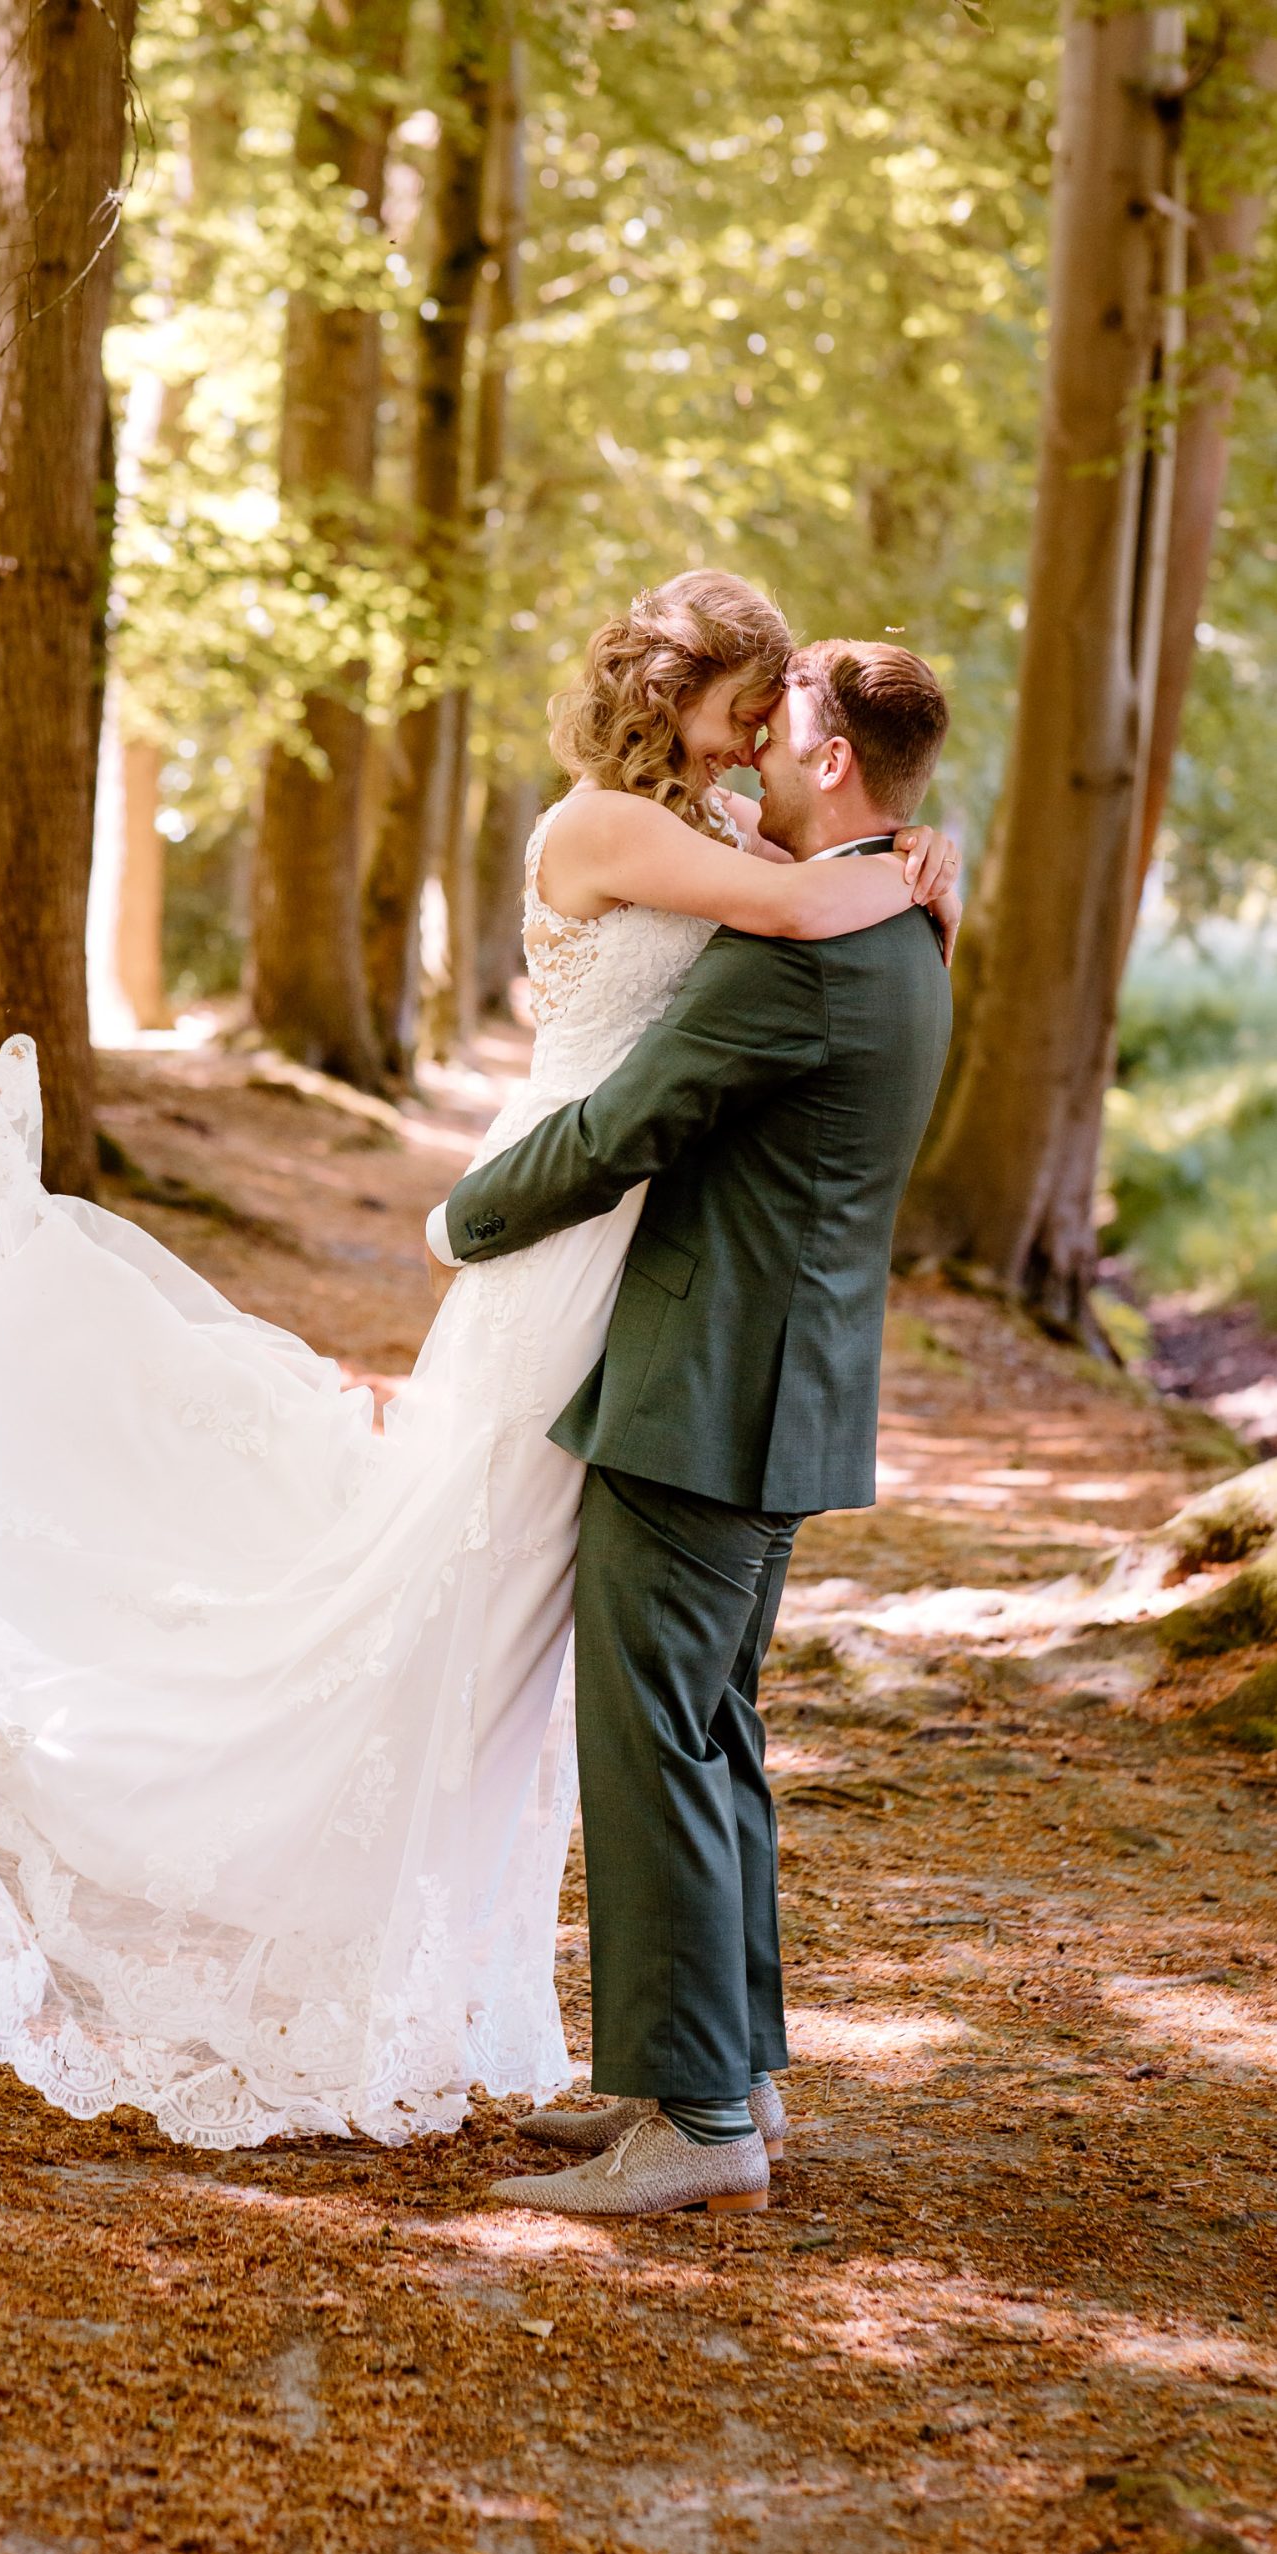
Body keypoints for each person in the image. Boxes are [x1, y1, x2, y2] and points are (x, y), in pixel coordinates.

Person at [0, 574, 958, 2152]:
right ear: (678, 693)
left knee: (612, 1683)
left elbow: (785, 927)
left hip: (640, 1285)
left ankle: (700, 2086)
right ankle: (678, 2069)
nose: (754, 733)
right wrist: (901, 866)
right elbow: (784, 923)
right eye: (745, 698)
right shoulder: (619, 831)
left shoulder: (762, 854)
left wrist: (897, 853)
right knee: (501, 1612)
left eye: (782, 710)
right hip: (577, 1255)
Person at [424, 638, 955, 2216]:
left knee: (654, 1734)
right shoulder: (912, 924)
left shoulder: (806, 947)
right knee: (711, 1730)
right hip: (780, 1382)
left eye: (782, 718)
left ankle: (701, 2125)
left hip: (705, 1390)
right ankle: (722, 2074)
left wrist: (465, 1217)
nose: (754, 746)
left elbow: (629, 1122)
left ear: (832, 758)